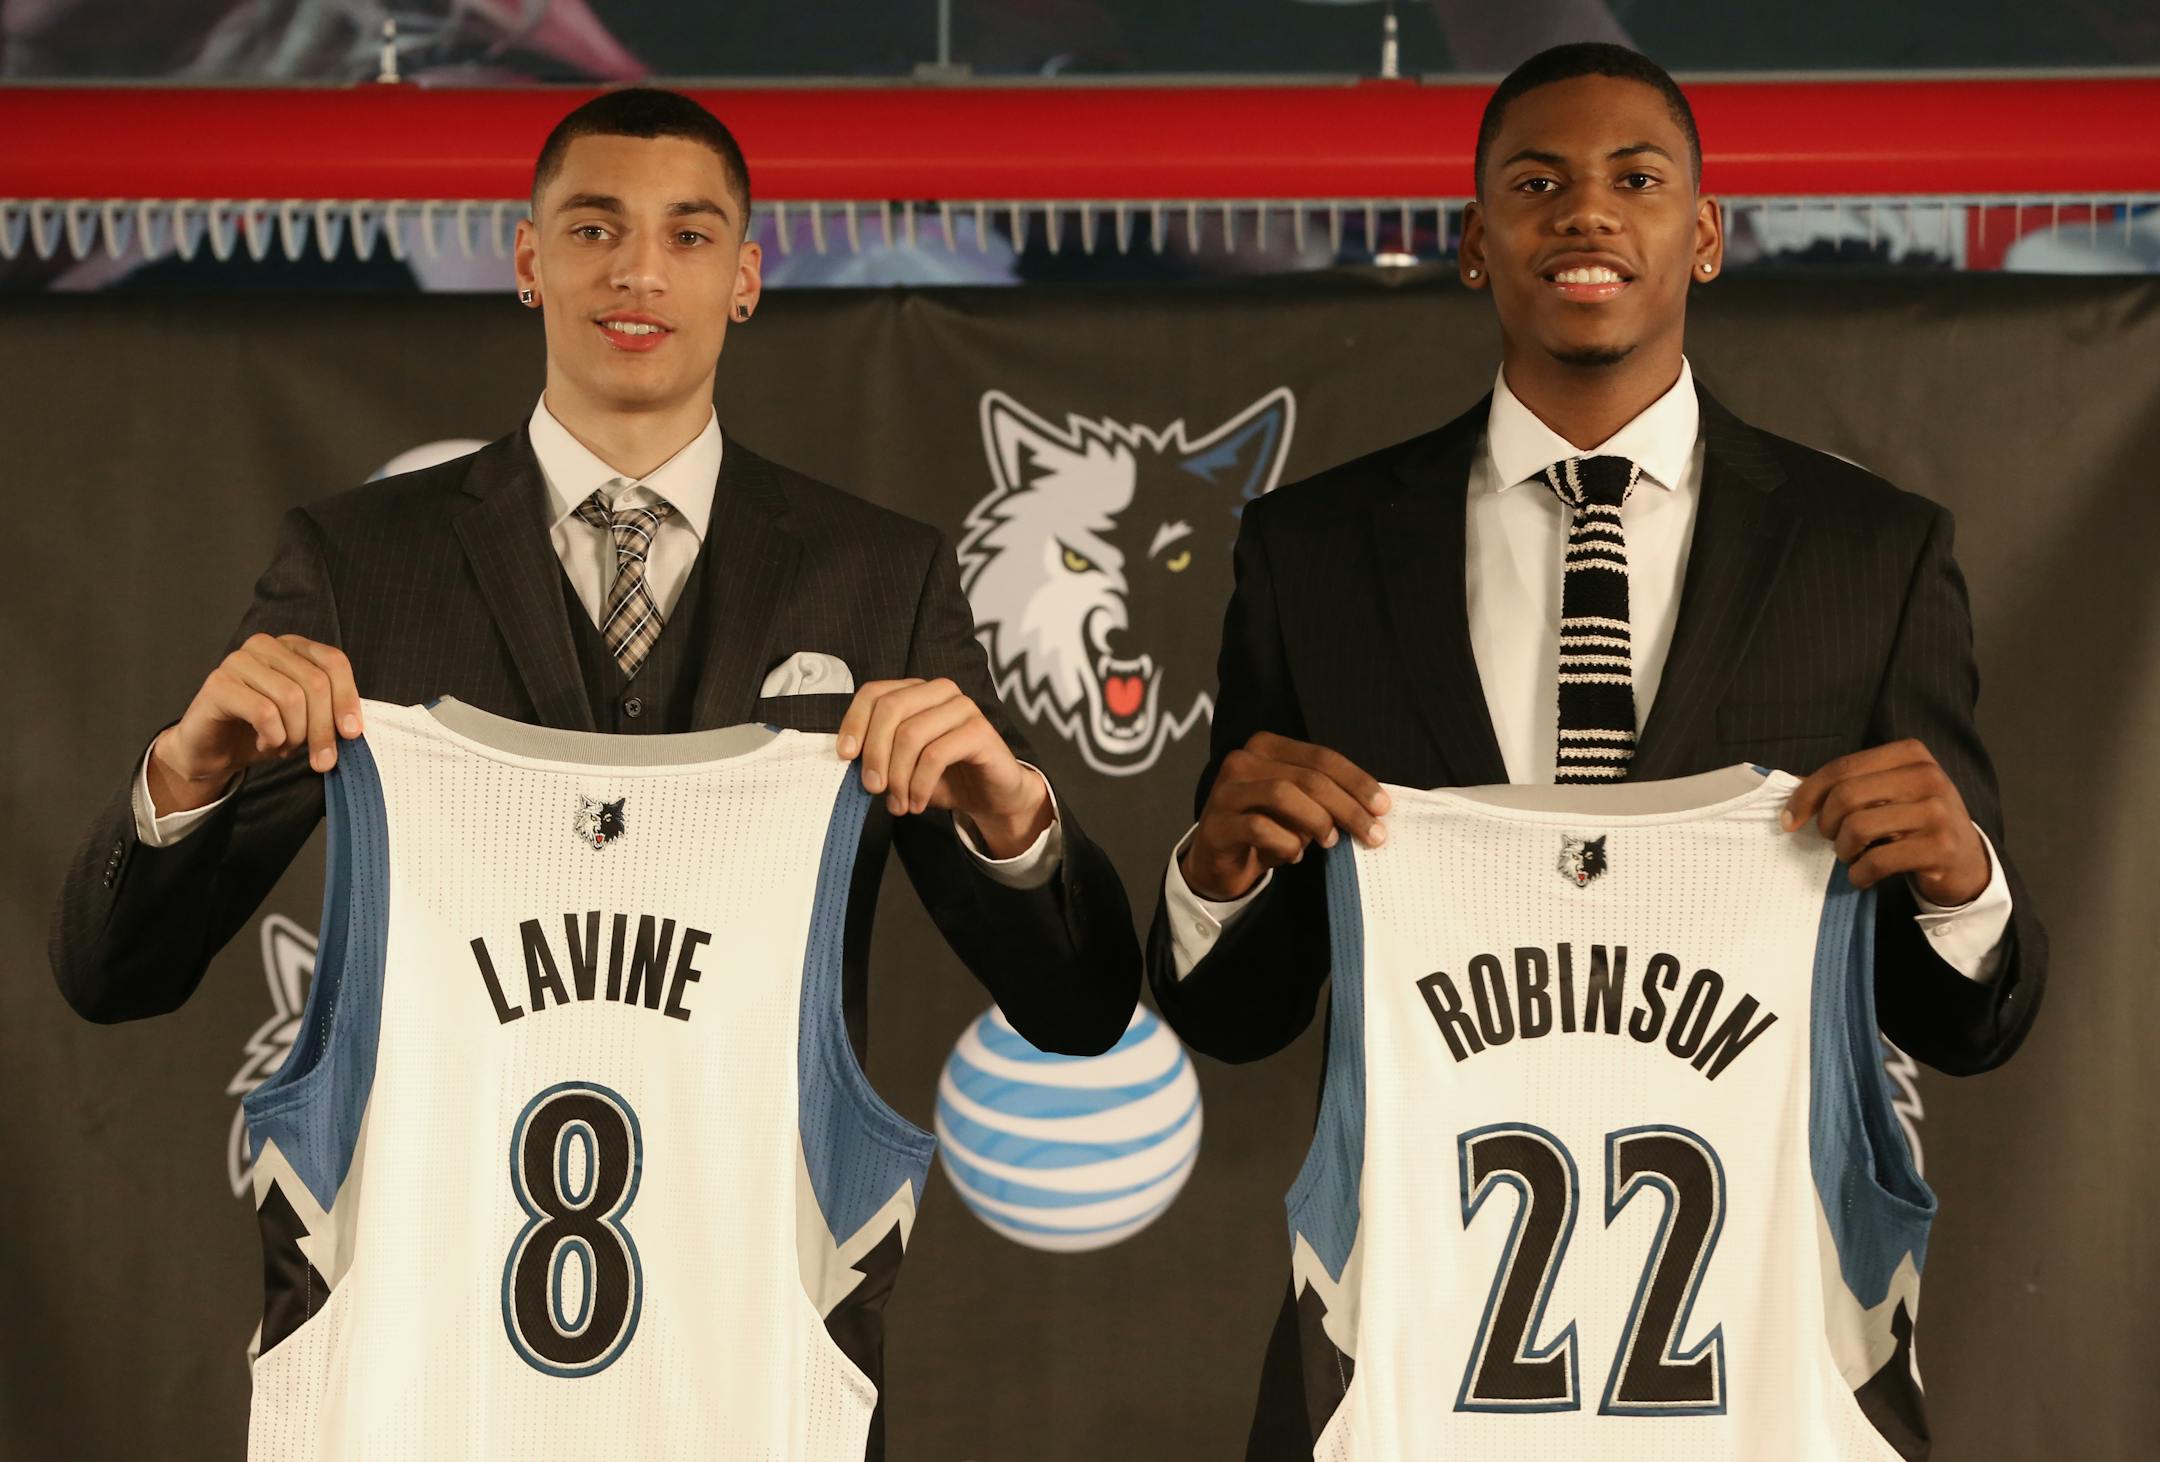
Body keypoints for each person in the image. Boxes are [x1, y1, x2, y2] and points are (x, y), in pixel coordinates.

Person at [50, 87, 1140, 1455]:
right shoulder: (357, 566)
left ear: (746, 278)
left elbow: (1084, 1003)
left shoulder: (878, 578)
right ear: (527, 261)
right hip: (417, 1369)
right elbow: (112, 972)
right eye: (594, 227)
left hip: (745, 1369)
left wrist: (1016, 818)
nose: (638, 269)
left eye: (689, 235)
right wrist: (183, 775)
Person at [1147, 43, 2045, 1458]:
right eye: (1537, 182)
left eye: (1636, 179)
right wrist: (1215, 873)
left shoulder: (1870, 552)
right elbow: (1243, 1011)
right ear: (1472, 242)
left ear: (1704, 237)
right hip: (1413, 1354)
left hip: (1761, 1360)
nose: (1585, 213)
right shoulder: (1315, 552)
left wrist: (1960, 885)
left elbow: (1972, 1022)